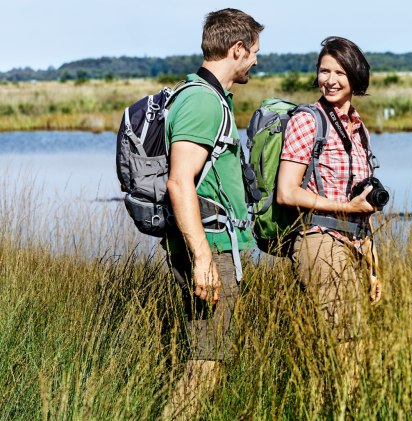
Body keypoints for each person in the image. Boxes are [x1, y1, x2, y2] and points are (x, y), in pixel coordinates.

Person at [161, 8, 263, 419]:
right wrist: (203, 259)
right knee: (206, 364)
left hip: (216, 246)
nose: (256, 60)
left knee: (210, 358)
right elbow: (179, 182)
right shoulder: (203, 101)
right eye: (254, 51)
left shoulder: (207, 96)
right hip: (212, 249)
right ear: (237, 49)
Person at [276, 36, 383, 384]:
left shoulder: (359, 128)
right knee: (352, 344)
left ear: (356, 77)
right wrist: (343, 207)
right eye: (325, 70)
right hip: (318, 239)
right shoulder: (309, 121)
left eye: (340, 71)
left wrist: (373, 268)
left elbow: (361, 206)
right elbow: (286, 192)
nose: (331, 79)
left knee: (341, 349)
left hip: (353, 244)